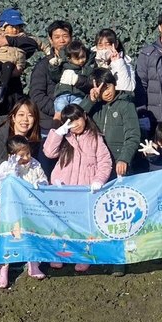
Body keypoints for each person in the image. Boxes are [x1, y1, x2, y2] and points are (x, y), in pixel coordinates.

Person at [42, 104, 113, 273]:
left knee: (83, 226)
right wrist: (59, 132)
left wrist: (98, 180)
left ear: (85, 116)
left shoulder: (95, 138)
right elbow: (48, 152)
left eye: (77, 119)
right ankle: (59, 254)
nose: (75, 124)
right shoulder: (65, 138)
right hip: (63, 190)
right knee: (61, 225)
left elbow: (105, 162)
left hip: (84, 192)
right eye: (70, 122)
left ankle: (83, 255)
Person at [0, 135, 48, 287]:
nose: (26, 157)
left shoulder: (35, 165)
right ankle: (4, 270)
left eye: (28, 153)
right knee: (8, 239)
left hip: (30, 211)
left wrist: (39, 184)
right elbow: (1, 187)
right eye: (21, 155)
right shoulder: (5, 167)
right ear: (11, 155)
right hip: (11, 212)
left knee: (32, 235)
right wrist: (13, 173)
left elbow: (43, 180)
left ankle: (33, 264)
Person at [80, 68, 140, 178]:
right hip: (96, 163)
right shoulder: (94, 106)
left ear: (114, 84)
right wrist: (90, 100)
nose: (106, 93)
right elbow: (76, 118)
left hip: (117, 162)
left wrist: (124, 158)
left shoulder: (126, 105)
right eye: (102, 90)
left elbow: (133, 135)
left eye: (108, 87)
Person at [0, 8, 47, 108]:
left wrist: (48, 51)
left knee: (8, 66)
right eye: (12, 26)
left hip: (14, 64)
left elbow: (38, 43)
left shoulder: (24, 36)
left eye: (18, 26)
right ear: (4, 26)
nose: (15, 29)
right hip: (0, 60)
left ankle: (1, 91)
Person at [29, 20, 74, 136]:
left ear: (71, 38)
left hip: (76, 123)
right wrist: (59, 110)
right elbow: (37, 95)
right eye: (57, 37)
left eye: (65, 36)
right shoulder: (43, 66)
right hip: (49, 124)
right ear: (50, 40)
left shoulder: (80, 63)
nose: (62, 40)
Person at [54, 40, 91, 120]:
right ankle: (56, 127)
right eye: (77, 58)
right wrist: (54, 67)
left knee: (75, 115)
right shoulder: (64, 66)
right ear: (69, 58)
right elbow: (55, 76)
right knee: (59, 112)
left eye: (83, 57)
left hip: (78, 96)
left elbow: (89, 81)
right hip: (63, 94)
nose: (81, 60)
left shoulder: (86, 69)